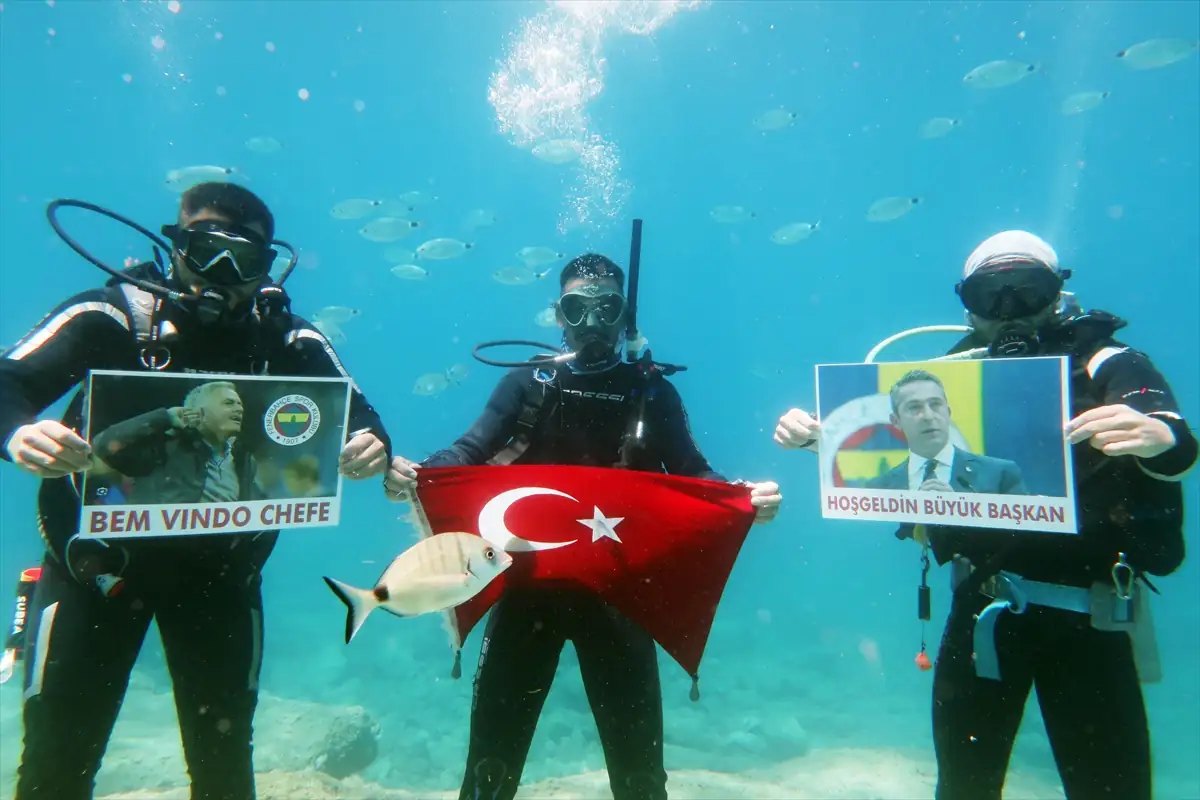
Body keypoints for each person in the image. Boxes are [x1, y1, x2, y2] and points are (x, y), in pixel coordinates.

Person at [0, 181, 394, 800]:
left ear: (267, 267)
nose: (222, 273)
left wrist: (372, 447)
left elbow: (361, 417)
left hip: (221, 582)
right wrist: (20, 434)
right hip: (96, 575)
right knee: (55, 765)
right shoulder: (112, 317)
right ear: (174, 245)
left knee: (223, 772)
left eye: (244, 259)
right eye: (204, 249)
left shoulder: (286, 340)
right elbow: (7, 380)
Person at [773, 230, 1195, 800]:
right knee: (964, 787)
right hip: (981, 610)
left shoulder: (1108, 361)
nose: (1008, 311)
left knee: (1110, 788)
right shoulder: (951, 375)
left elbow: (1174, 441)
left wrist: (1157, 435)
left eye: (1028, 291)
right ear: (967, 303)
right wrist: (824, 443)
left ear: (1057, 294)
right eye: (990, 295)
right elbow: (901, 468)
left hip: (1090, 620)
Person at [383, 253, 782, 800]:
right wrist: (416, 475)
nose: (592, 322)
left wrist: (743, 498)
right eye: (578, 307)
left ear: (625, 317)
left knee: (640, 774)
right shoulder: (529, 383)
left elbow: (695, 473)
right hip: (525, 591)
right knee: (490, 765)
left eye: (607, 308)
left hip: (620, 599)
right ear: (558, 315)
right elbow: (468, 451)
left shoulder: (652, 392)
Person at [91, 379, 267, 505]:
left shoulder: (244, 460)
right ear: (198, 412)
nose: (239, 409)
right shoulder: (167, 444)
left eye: (239, 404)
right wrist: (164, 417)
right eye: (229, 403)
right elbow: (103, 445)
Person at [865, 368, 1029, 494]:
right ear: (896, 421)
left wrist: (959, 514)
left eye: (935, 404)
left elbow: (1023, 538)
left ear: (948, 413)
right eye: (914, 407)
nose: (928, 416)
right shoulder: (878, 488)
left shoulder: (1000, 474)